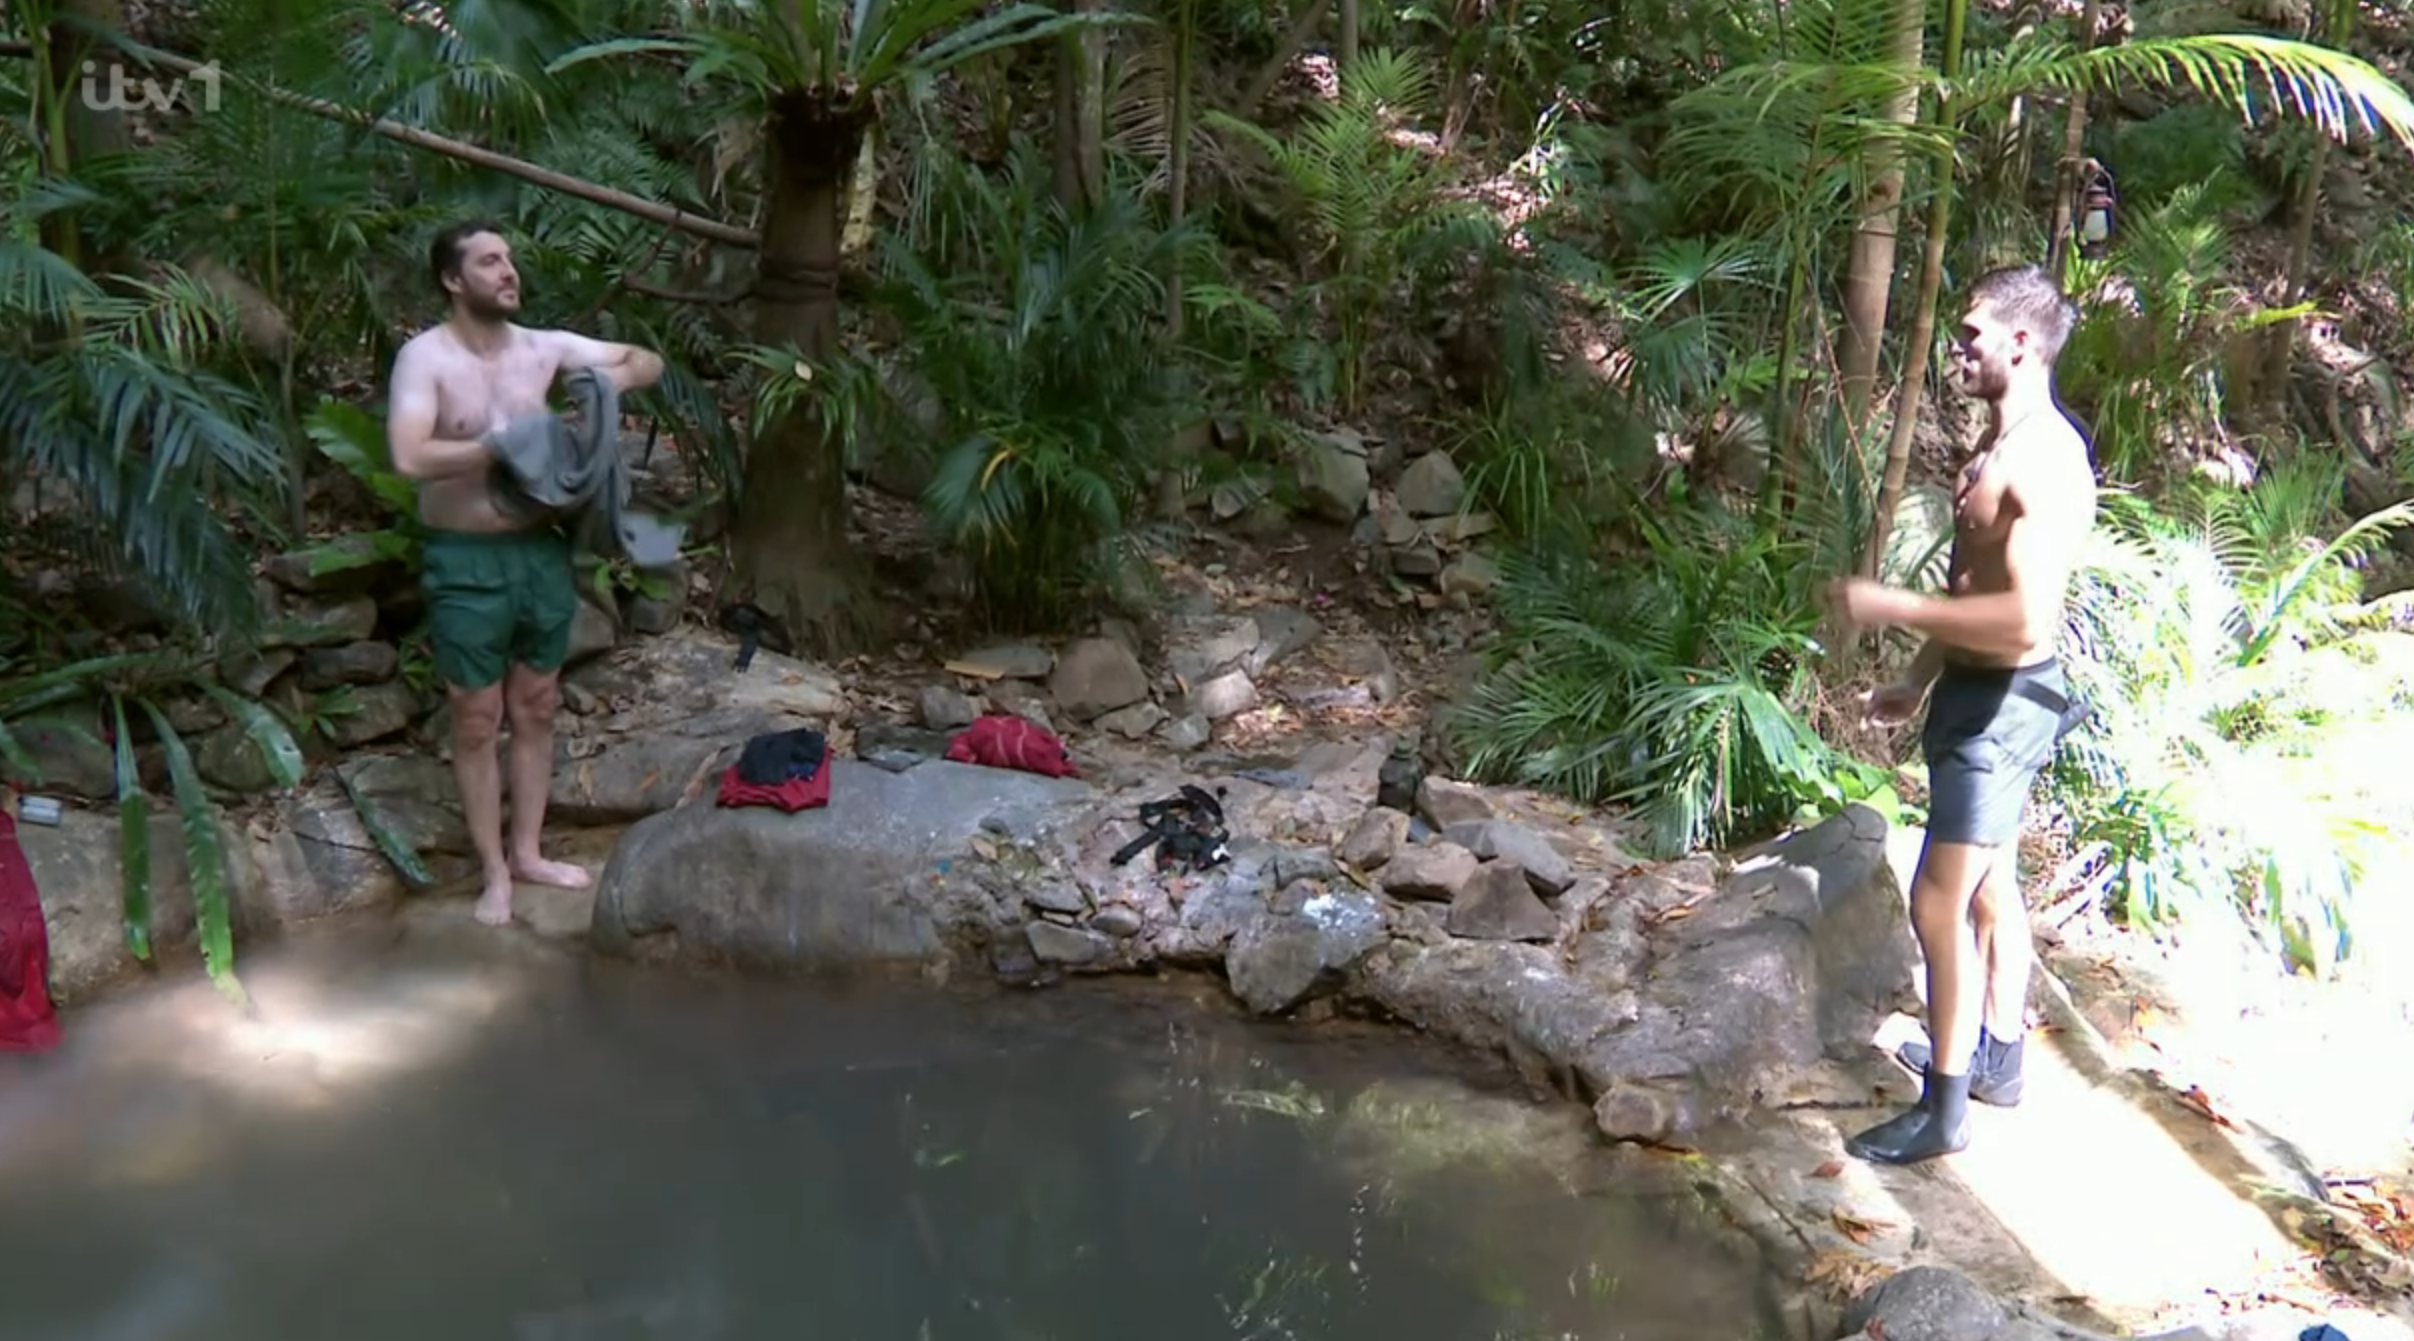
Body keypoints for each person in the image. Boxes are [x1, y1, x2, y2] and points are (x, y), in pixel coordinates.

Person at [1825, 264, 2099, 1165]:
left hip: (2005, 708)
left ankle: (1943, 1111)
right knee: (1989, 886)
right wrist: (1918, 676)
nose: (1958, 348)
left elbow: (2023, 619)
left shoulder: (2045, 460)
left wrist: (1896, 608)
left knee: (1936, 897)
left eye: (1972, 333)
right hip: (1974, 694)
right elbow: (1973, 583)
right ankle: (1999, 1060)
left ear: (2021, 343)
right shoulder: (1999, 441)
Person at [384, 219, 664, 927]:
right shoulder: (425, 359)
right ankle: (494, 873)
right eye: (489, 261)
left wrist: (603, 385)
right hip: (464, 556)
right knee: (477, 717)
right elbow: (410, 457)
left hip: (541, 550)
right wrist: (504, 443)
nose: (509, 271)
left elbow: (646, 360)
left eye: (509, 259)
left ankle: (530, 852)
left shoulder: (545, 349)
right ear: (453, 280)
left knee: (537, 703)